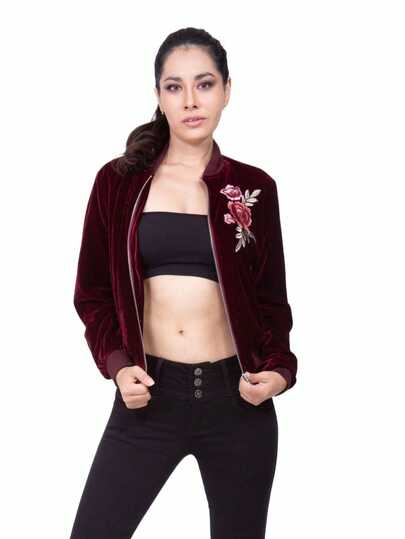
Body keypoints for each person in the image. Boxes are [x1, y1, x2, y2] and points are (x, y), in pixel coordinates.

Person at [70, 27, 298, 539]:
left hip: (238, 404)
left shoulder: (254, 188)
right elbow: (92, 292)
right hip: (149, 398)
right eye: (174, 87)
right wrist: (117, 365)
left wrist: (280, 371)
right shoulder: (119, 182)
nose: (191, 100)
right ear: (159, 96)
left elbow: (271, 301)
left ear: (227, 90)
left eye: (205, 84)